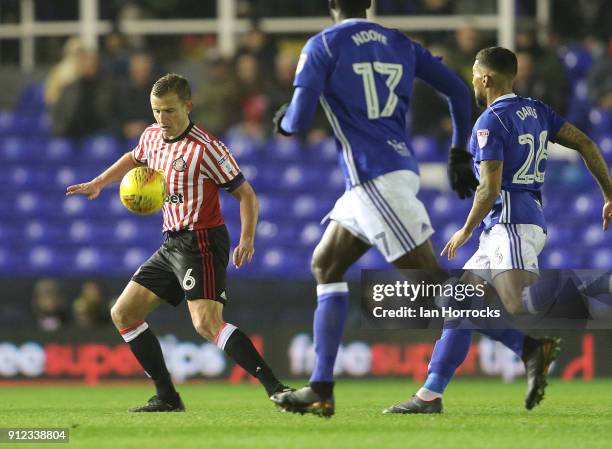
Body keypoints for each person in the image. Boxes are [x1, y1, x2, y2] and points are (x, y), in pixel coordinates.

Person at [269, 0, 482, 417]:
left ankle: (525, 342)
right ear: (368, 3)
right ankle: (321, 388)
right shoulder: (398, 42)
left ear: (331, 3)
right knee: (325, 265)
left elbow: (297, 122)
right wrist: (459, 152)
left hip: (375, 176)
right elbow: (458, 89)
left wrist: (282, 119)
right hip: (378, 176)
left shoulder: (322, 45)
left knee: (433, 282)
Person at [393, 46, 612, 414]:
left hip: (510, 223)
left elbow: (489, 188)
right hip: (516, 221)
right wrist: (608, 191)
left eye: (474, 76)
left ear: (485, 79)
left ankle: (590, 303)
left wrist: (465, 230)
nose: (473, 83)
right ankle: (430, 394)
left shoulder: (489, 121)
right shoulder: (538, 111)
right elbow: (586, 143)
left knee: (518, 303)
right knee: (459, 302)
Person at [66, 73, 290, 412]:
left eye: (169, 111)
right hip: (172, 242)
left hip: (202, 241)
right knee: (124, 313)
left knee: (206, 324)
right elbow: (134, 156)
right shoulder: (152, 136)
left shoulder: (207, 148)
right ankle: (167, 397)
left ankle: (277, 389)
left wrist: (247, 239)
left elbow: (246, 195)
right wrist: (100, 182)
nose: (162, 119)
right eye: (156, 111)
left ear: (188, 106)